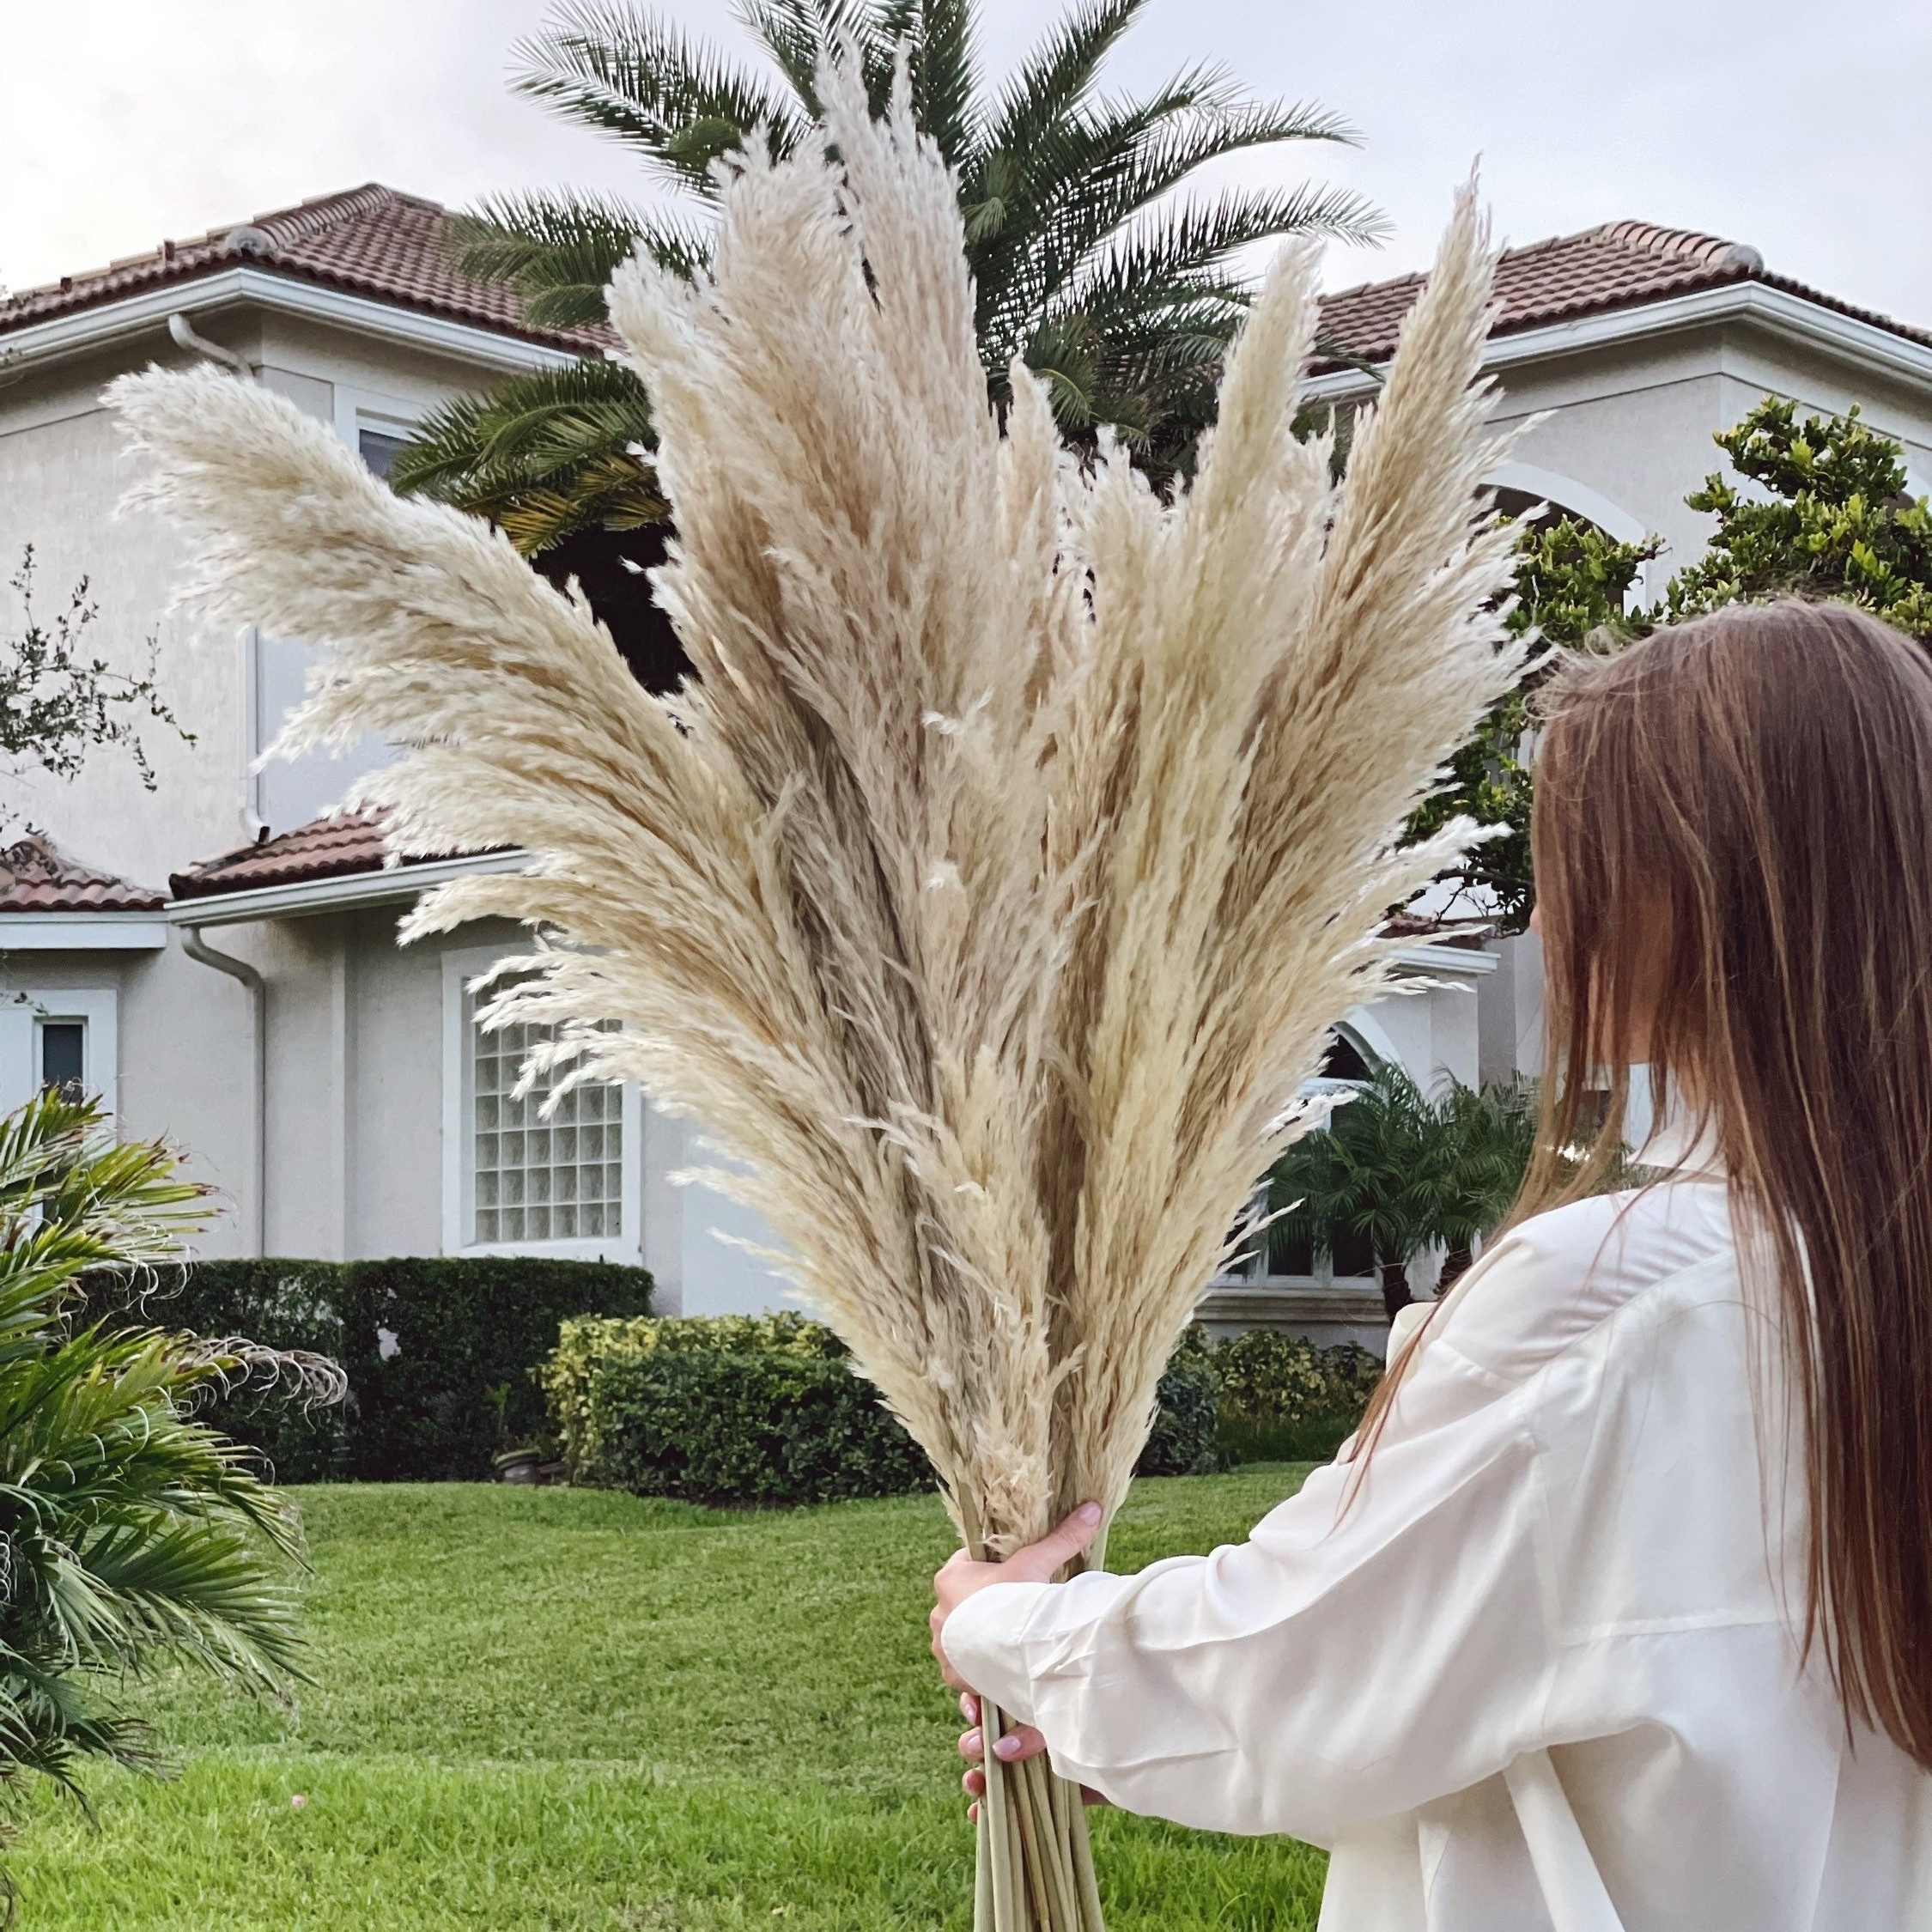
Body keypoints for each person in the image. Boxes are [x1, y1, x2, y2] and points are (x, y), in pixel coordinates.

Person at [931, 599, 1932, 1929]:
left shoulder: (1620, 1292)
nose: (1540, 914)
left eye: (1576, 853)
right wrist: (1120, 1728)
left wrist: (1001, 1629)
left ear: (1692, 890)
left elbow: (1301, 1666)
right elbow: (1514, 1690)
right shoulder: (1856, 1285)